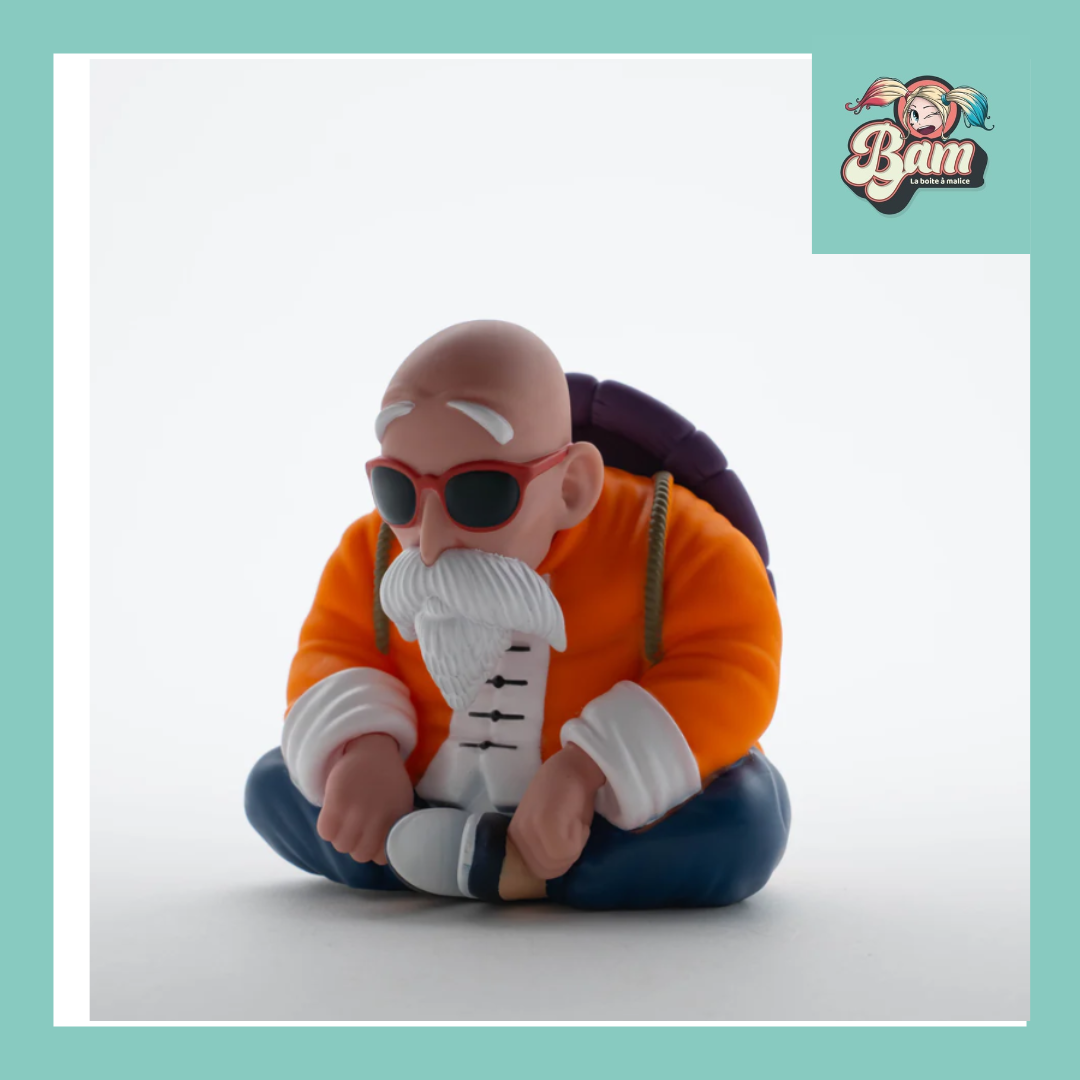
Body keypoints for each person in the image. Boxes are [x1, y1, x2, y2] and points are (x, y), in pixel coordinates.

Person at [245, 320, 790, 908]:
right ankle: (489, 864)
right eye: (398, 491)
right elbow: (333, 647)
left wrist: (589, 769)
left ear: (571, 486)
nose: (430, 541)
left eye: (480, 494)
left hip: (599, 812)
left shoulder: (679, 544)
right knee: (274, 786)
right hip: (419, 788)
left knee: (746, 822)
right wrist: (361, 747)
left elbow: (731, 667)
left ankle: (471, 864)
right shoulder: (372, 549)